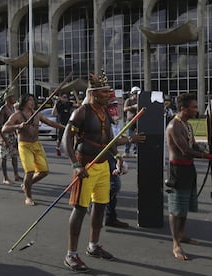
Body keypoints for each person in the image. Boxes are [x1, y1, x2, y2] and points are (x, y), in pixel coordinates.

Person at [62, 72, 123, 272]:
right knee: (80, 209)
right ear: (94, 93)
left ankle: (93, 245)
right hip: (85, 166)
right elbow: (66, 140)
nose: (108, 94)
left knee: (100, 206)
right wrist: (75, 165)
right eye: (105, 91)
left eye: (108, 91)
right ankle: (71, 254)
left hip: (103, 165)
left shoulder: (105, 111)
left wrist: (118, 157)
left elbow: (109, 139)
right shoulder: (82, 112)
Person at [165, 93, 212, 260]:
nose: (196, 110)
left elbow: (193, 144)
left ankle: (181, 235)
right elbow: (185, 151)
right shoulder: (174, 126)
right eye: (194, 107)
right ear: (183, 109)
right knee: (176, 208)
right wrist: (210, 157)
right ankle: (176, 244)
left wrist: (206, 150)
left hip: (189, 169)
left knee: (185, 206)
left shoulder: (186, 125)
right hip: (178, 171)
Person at [2, 94, 65, 206]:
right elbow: (4, 128)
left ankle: (26, 185)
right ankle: (28, 197)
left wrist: (65, 128)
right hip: (24, 146)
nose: (32, 102)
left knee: (44, 171)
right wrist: (18, 126)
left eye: (33, 100)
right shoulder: (17, 115)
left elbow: (50, 122)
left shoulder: (37, 114)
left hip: (37, 145)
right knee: (30, 171)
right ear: (24, 102)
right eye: (29, 100)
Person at [0, 87, 22, 185]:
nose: (15, 98)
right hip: (4, 136)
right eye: (13, 97)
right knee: (4, 157)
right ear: (8, 98)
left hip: (12, 135)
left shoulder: (13, 108)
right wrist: (4, 139)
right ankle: (5, 177)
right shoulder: (2, 109)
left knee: (14, 156)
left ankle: (16, 174)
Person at [52, 92, 73, 156]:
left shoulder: (69, 104)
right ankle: (57, 148)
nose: (65, 99)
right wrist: (55, 104)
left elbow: (79, 105)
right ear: (61, 98)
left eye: (66, 98)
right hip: (61, 123)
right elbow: (53, 113)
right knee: (59, 138)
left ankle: (69, 151)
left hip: (68, 123)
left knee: (69, 137)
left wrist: (75, 94)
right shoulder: (59, 104)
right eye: (64, 97)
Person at [123, 86, 139, 158]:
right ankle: (126, 151)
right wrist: (133, 107)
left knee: (137, 137)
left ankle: (135, 151)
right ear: (132, 94)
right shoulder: (128, 100)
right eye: (135, 93)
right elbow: (125, 109)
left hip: (138, 121)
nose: (136, 95)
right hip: (130, 121)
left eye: (137, 93)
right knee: (129, 137)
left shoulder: (140, 100)